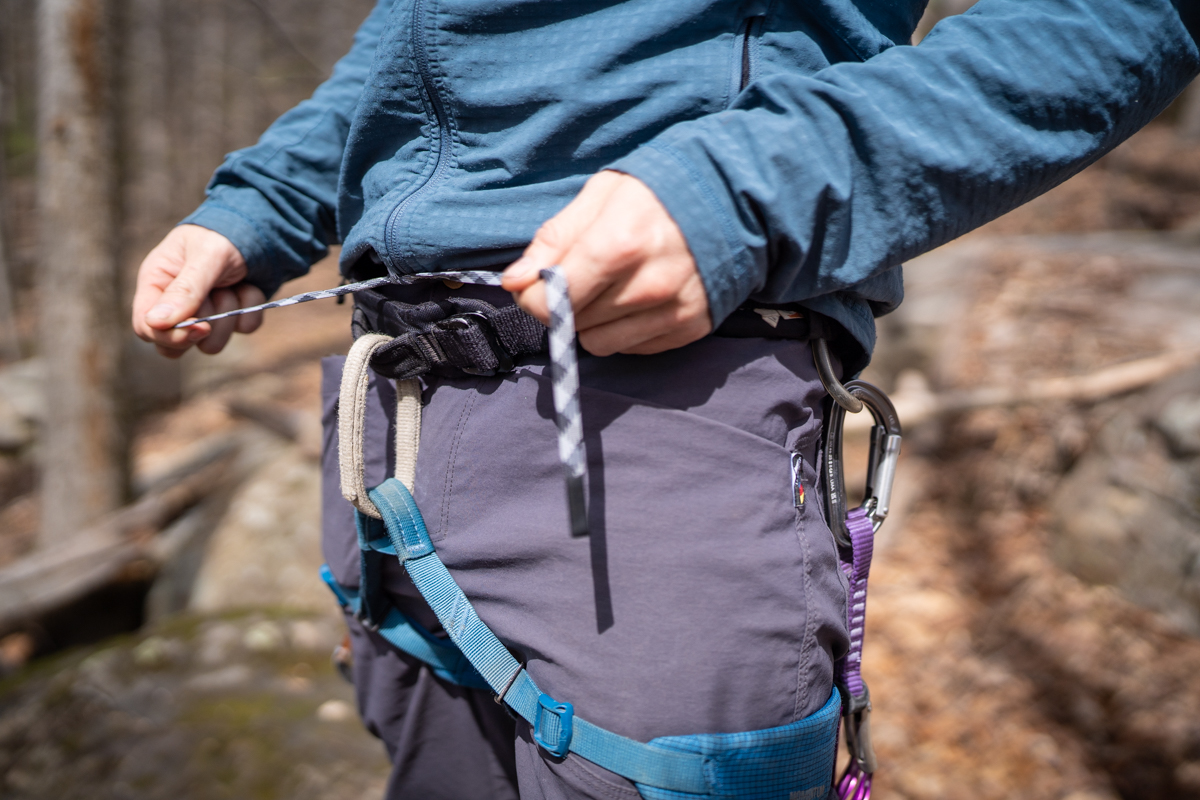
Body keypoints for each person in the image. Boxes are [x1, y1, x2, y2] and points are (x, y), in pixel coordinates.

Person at [131, 1, 1199, 798]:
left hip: (662, 418)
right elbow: (426, 39)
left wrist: (760, 183)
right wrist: (263, 202)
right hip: (394, 433)